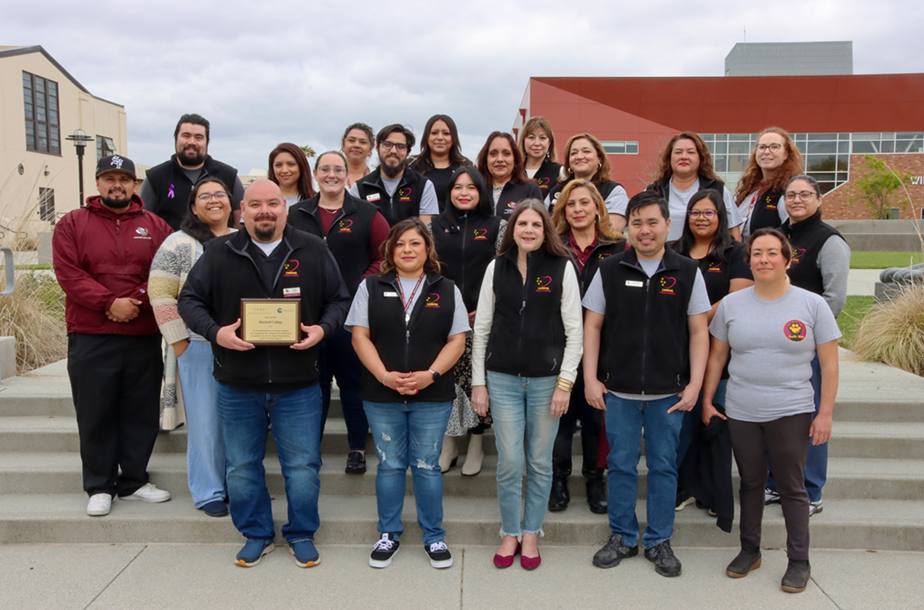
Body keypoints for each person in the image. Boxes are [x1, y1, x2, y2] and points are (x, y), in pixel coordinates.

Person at [178, 179, 351, 569]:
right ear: (243, 209)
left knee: (303, 465)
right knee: (240, 467)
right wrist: (215, 332)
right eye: (256, 204)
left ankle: (301, 531)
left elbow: (340, 299)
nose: (265, 211)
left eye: (273, 203)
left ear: (286, 207)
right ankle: (256, 532)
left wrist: (322, 330)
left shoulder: (313, 248)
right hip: (238, 384)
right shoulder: (219, 251)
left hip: (300, 384)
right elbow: (189, 300)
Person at [702, 227, 840, 593]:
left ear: (787, 259)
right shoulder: (732, 305)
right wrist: (706, 399)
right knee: (750, 482)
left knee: (793, 486)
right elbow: (717, 357)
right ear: (748, 260)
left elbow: (829, 366)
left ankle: (799, 559)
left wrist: (824, 413)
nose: (764, 259)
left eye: (772, 253)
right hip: (743, 409)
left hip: (792, 409)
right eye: (757, 253)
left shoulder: (811, 305)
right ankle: (750, 549)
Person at [583, 191, 710, 578]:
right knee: (620, 464)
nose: (644, 230)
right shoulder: (610, 269)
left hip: (668, 394)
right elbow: (592, 325)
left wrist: (694, 386)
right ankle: (623, 535)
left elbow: (699, 332)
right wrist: (591, 378)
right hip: (617, 391)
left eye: (652, 222)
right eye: (636, 222)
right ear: (628, 228)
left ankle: (658, 540)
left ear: (668, 225)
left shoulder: (687, 271)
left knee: (663, 466)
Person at [52, 154, 174, 517]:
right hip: (91, 333)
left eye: (124, 178)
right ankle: (100, 485)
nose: (117, 184)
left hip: (142, 332)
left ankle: (134, 480)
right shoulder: (72, 223)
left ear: (135, 184)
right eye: (109, 178)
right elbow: (69, 274)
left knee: (140, 410)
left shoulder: (156, 226)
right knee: (95, 411)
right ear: (98, 183)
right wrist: (109, 303)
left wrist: (134, 300)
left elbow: (164, 272)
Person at [347, 218, 469, 569]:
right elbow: (360, 336)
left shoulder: (447, 289)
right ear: (390, 250)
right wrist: (385, 377)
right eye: (400, 244)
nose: (407, 250)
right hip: (381, 393)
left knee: (427, 466)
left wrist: (431, 375)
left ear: (427, 249)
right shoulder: (370, 287)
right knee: (390, 464)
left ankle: (434, 537)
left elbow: (457, 339)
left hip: (431, 394)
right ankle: (388, 534)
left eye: (415, 243)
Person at [471, 200, 584, 570]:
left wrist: (565, 384)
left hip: (547, 382)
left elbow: (574, 331)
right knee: (509, 462)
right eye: (522, 224)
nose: (529, 230)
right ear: (512, 230)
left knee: (538, 461)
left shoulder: (561, 267)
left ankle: (531, 532)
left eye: (536, 224)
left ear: (546, 229)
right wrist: (478, 384)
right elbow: (482, 329)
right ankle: (510, 531)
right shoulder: (496, 268)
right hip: (501, 380)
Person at [288, 151, 390, 475]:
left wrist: (359, 286)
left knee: (352, 384)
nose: (331, 174)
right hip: (306, 317)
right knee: (312, 385)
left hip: (351, 316)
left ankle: (357, 448)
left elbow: (384, 257)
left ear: (348, 176)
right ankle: (309, 451)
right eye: (325, 169)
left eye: (338, 169)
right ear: (315, 174)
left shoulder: (368, 214)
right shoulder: (295, 214)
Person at [150, 177, 235, 517]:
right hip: (197, 345)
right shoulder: (178, 244)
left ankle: (235, 483)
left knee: (237, 421)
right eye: (205, 196)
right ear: (193, 206)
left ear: (231, 202)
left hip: (241, 346)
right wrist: (180, 342)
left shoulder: (242, 240)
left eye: (220, 194)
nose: (214, 200)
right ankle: (208, 489)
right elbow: (160, 293)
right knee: (205, 422)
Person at [765, 175, 850, 515]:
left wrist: (808, 336)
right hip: (771, 347)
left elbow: (835, 298)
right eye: (791, 195)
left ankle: (810, 488)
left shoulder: (828, 241)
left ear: (818, 199)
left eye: (804, 194)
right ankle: (775, 484)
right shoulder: (780, 236)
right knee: (775, 417)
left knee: (809, 417)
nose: (796, 200)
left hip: (807, 347)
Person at [670, 189, 754, 512]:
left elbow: (736, 299)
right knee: (683, 427)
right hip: (679, 351)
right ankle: (682, 487)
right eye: (695, 212)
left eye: (709, 212)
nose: (701, 218)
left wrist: (691, 315)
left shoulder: (735, 253)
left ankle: (714, 494)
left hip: (721, 352)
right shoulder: (673, 251)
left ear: (720, 217)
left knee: (714, 422)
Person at [547, 180, 625, 515]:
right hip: (557, 345)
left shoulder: (618, 248)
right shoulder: (551, 248)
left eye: (584, 203)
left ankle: (595, 478)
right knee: (559, 418)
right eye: (570, 204)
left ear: (597, 208)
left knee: (596, 418)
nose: (578, 210)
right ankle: (558, 479)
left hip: (603, 347)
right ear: (563, 210)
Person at [429, 167, 506, 476]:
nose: (464, 192)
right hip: (441, 316)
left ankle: (476, 442)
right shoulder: (434, 225)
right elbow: (427, 270)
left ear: (481, 192)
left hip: (483, 317)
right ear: (449, 192)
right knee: (447, 379)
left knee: (477, 379)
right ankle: (449, 443)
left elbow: (506, 270)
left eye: (471, 187)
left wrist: (487, 307)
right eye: (458, 187)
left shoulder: (497, 225)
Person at [141, 113, 244, 228]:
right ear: (176, 139)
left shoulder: (229, 176)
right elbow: (145, 225)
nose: (192, 142)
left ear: (207, 142)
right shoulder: (155, 177)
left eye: (198, 137)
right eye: (186, 136)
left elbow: (239, 222)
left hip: (219, 245)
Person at [647, 132, 743, 242]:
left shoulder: (717, 190)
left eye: (691, 152)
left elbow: (734, 234)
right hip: (664, 257)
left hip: (707, 257)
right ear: (669, 158)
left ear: (701, 158)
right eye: (678, 152)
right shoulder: (654, 191)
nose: (684, 157)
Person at [349, 124, 439, 226]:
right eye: (387, 144)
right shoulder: (360, 188)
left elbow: (425, 232)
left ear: (408, 151)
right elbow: (356, 229)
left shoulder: (424, 186)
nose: (393, 151)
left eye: (400, 146)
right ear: (377, 147)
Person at [545, 133, 629, 232]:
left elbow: (612, 230)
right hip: (558, 247)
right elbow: (543, 227)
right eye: (573, 153)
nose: (579, 156)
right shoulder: (556, 191)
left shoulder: (613, 191)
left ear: (599, 158)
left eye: (586, 151)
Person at [734, 127, 803, 238]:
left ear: (786, 154)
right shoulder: (748, 188)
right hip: (742, 253)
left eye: (774, 147)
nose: (766, 152)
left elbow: (795, 234)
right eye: (762, 147)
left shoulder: (788, 191)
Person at [409, 114, 471, 211]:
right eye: (434, 133)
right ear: (426, 136)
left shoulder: (466, 166)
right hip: (418, 224)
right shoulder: (411, 165)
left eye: (446, 133)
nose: (440, 137)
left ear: (453, 138)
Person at [476, 131, 543, 221]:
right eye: (493, 153)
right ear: (485, 159)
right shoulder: (475, 189)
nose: (500, 159)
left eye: (506, 153)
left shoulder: (530, 190)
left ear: (515, 159)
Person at [518, 116, 562, 196]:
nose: (537, 143)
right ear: (523, 141)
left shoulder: (560, 172)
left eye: (542, 138)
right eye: (531, 137)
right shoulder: (513, 171)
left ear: (549, 142)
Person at [268, 142, 315, 207]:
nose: (284, 170)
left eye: (291, 164)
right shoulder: (263, 201)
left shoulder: (316, 201)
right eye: (278, 165)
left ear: (301, 166)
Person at [341, 123, 375, 188]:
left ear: (370, 149)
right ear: (343, 146)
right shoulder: (329, 177)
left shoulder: (377, 179)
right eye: (351, 140)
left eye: (363, 142)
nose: (356, 145)